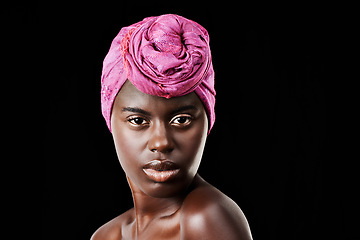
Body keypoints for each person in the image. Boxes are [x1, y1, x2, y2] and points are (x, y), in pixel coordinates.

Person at [92, 14, 253, 240]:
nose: (161, 142)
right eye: (138, 121)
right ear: (110, 121)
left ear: (208, 119)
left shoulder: (205, 217)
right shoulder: (107, 236)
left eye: (182, 119)